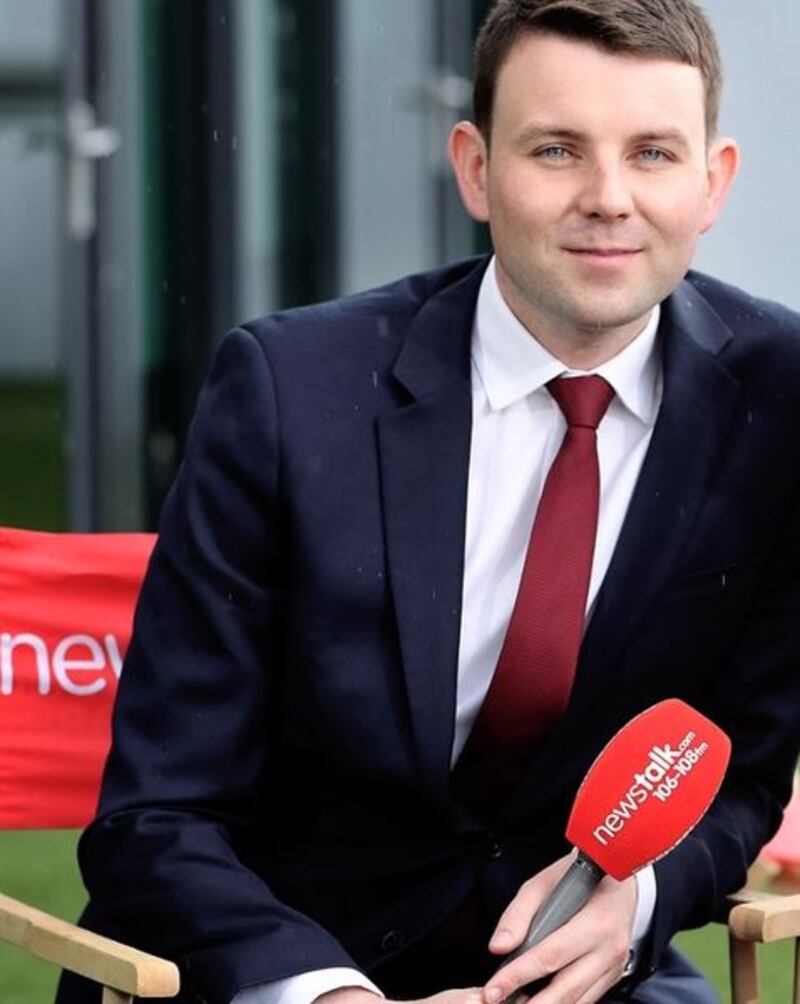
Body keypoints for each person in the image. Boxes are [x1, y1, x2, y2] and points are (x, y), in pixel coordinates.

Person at [58, 1, 800, 1003]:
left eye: (652, 154)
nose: (607, 198)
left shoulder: (777, 399)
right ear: (474, 169)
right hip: (277, 962)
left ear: (712, 183)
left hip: (568, 971)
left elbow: (739, 772)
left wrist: (635, 901)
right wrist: (331, 993)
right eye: (556, 150)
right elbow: (155, 816)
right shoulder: (289, 390)